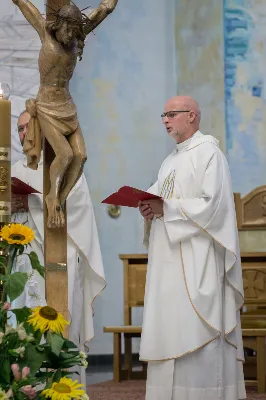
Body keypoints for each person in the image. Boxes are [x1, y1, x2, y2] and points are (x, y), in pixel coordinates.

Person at [138, 96, 246, 400]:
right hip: (168, 263)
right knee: (169, 329)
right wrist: (148, 208)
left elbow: (213, 207)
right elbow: (160, 200)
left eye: (171, 114)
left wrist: (166, 208)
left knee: (197, 333)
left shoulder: (210, 154)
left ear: (192, 116)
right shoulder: (170, 161)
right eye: (164, 114)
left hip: (198, 262)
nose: (165, 120)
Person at [11, 110, 106, 385]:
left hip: (58, 262)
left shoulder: (65, 165)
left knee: (59, 328)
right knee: (24, 327)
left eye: (28, 127)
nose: (23, 135)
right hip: (25, 261)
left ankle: (63, 388)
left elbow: (73, 211)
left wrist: (27, 203)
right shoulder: (16, 169)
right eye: (18, 129)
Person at [11, 0, 118, 228]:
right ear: (58, 24)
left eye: (74, 30)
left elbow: (105, 8)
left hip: (67, 105)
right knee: (66, 155)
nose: (70, 34)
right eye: (67, 29)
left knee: (81, 156)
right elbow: (23, 3)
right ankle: (53, 200)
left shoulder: (77, 37)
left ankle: (58, 198)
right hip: (47, 106)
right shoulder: (45, 33)